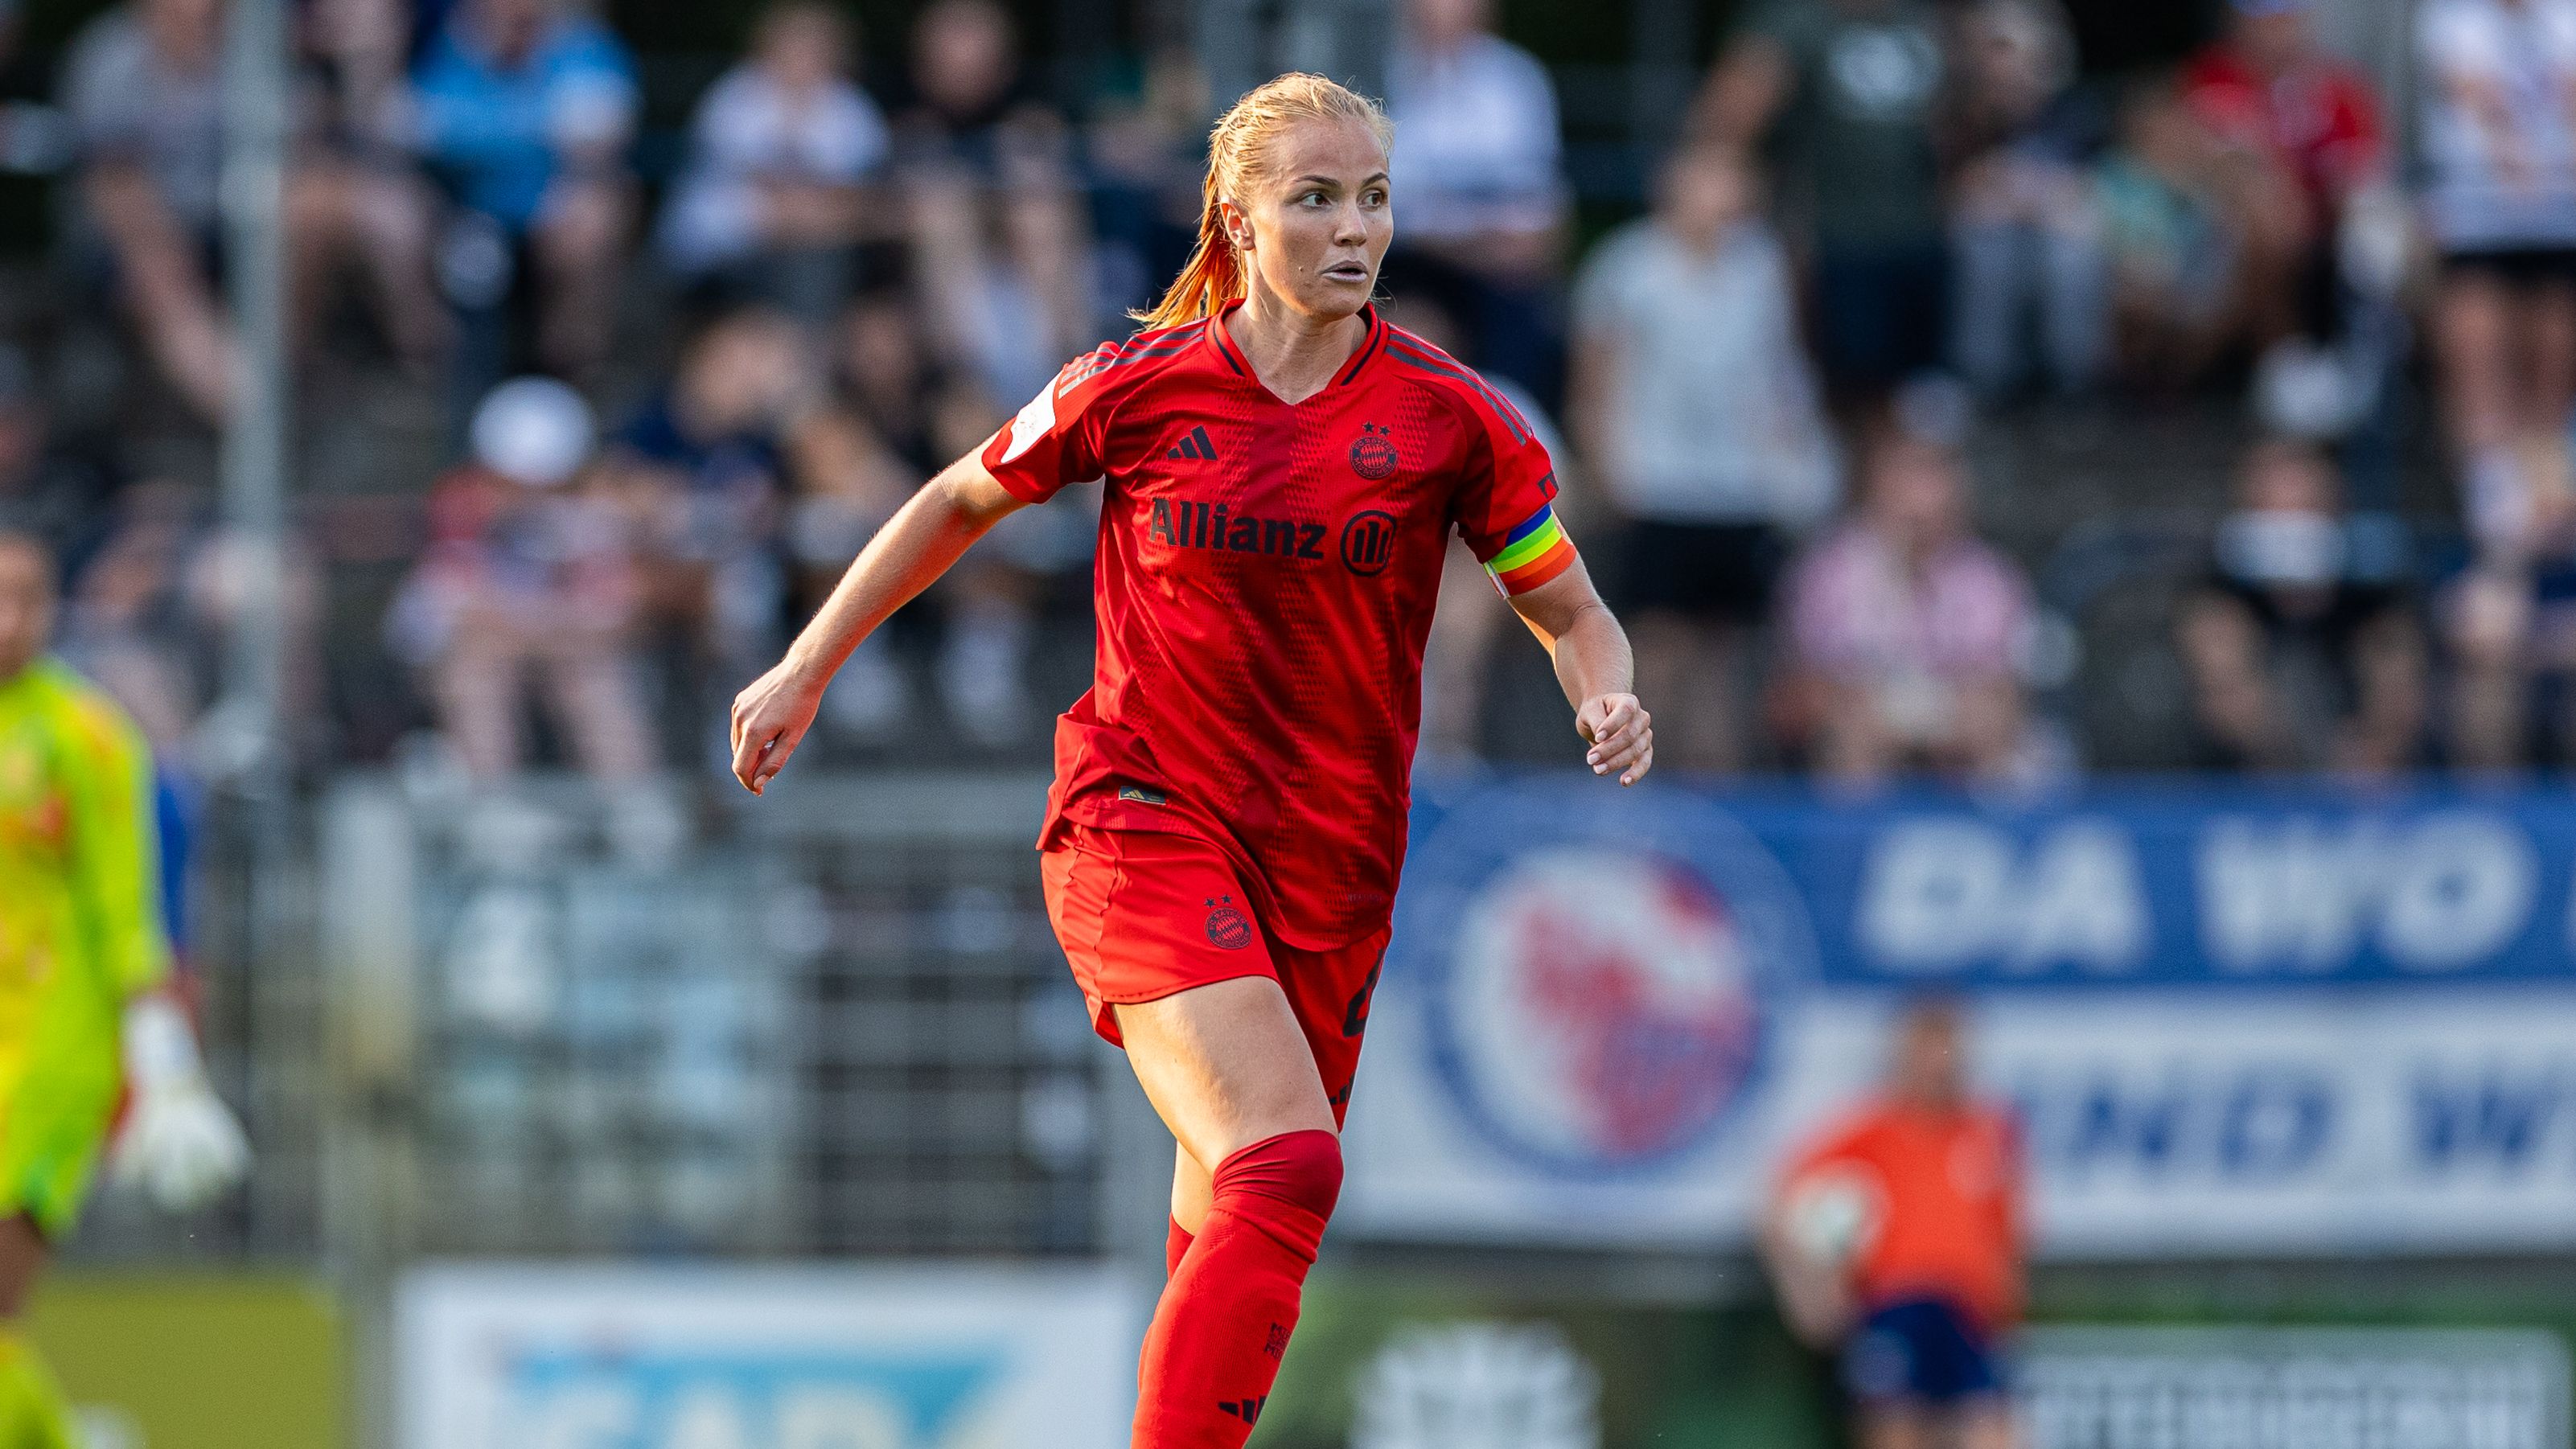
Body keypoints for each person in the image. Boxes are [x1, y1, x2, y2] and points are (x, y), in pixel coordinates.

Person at [728, 74, 1651, 1446]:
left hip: (1330, 867)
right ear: (1235, 215)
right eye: (1317, 197)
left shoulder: (1453, 421)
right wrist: (807, 664)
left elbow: (1567, 605)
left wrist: (1606, 693)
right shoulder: (1141, 384)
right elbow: (954, 498)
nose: (1356, 229)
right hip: (1141, 819)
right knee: (1283, 1162)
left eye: (1376, 199)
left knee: (1231, 1209)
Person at [0, 528, 249, 1446]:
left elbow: (129, 910)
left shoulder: (86, 735)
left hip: (49, 1060)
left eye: (24, 598)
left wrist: (164, 1061)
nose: (5, 620)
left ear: (53, 607)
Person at [1568, 140, 1838, 771]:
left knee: (1725, 652)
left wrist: (1794, 463)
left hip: (1739, 487)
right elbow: (1595, 376)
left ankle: (1716, 783)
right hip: (1655, 484)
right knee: (1654, 643)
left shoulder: (1762, 267)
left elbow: (1778, 373)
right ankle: (1638, 776)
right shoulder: (1626, 267)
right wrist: (1607, 466)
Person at [1767, 1000, 2023, 1449]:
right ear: (1902, 1055)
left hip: (1968, 1311)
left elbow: (2005, 1234)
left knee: (1993, 1434)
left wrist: (2008, 1304)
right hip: (1895, 1305)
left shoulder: (1988, 1131)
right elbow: (1782, 1200)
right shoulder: (1870, 1131)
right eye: (1923, 1050)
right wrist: (1807, 1289)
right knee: (1895, 1434)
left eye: (1947, 1050)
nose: (1936, 1066)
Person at [1696, 0, 1949, 401]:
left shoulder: (1921, 23)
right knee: (1844, 397)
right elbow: (1727, 121)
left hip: (1923, 245)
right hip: (1833, 249)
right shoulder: (1795, 22)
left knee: (1914, 403)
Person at [1779, 425, 2033, 786]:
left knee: (1992, 724)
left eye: (1932, 475)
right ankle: (1851, 840)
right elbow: (1809, 686)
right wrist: (1892, 576)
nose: (1919, 495)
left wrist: (1934, 713)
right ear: (1875, 485)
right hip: (1862, 712)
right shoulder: (1830, 568)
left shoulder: (1989, 575)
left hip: (1952, 711)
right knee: (1853, 732)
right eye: (1905, 475)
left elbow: (2001, 683)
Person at [2416, 0, 2576, 557]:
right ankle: (2490, 487)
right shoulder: (2452, 15)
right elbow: (2471, 90)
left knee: (2553, 349)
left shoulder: (2564, 15)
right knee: (2477, 343)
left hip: (2556, 215)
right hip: (2478, 216)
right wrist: (2514, 157)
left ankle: (2546, 486)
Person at [409, 0, 638, 381]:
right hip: (466, 211)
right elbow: (418, 129)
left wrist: (483, 128)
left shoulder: (586, 47)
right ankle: (432, 367)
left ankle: (570, 366)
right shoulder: (456, 46)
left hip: (553, 212)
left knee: (594, 218)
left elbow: (601, 136)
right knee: (406, 214)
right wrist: (537, 126)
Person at [2175, 439, 2426, 774]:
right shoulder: (2220, 592)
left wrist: (2371, 749)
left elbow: (2400, 700)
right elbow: (2226, 703)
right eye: (2275, 515)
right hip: (2256, 778)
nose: (2292, 531)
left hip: (2365, 782)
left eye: (2305, 511)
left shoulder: (2373, 590)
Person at [1382, 0, 1570, 403]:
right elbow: (1379, 211)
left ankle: (1513, 440)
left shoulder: (1517, 80)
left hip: (1495, 274)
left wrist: (1439, 225)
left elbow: (1536, 223)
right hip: (1399, 266)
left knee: (1521, 326)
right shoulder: (1374, 72)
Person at [656, 0, 892, 316]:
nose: (803, 55)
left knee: (819, 259)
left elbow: (861, 199)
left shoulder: (852, 110)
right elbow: (776, 199)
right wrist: (822, 211)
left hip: (813, 252)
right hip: (718, 252)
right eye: (793, 42)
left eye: (814, 45)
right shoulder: (733, 98)